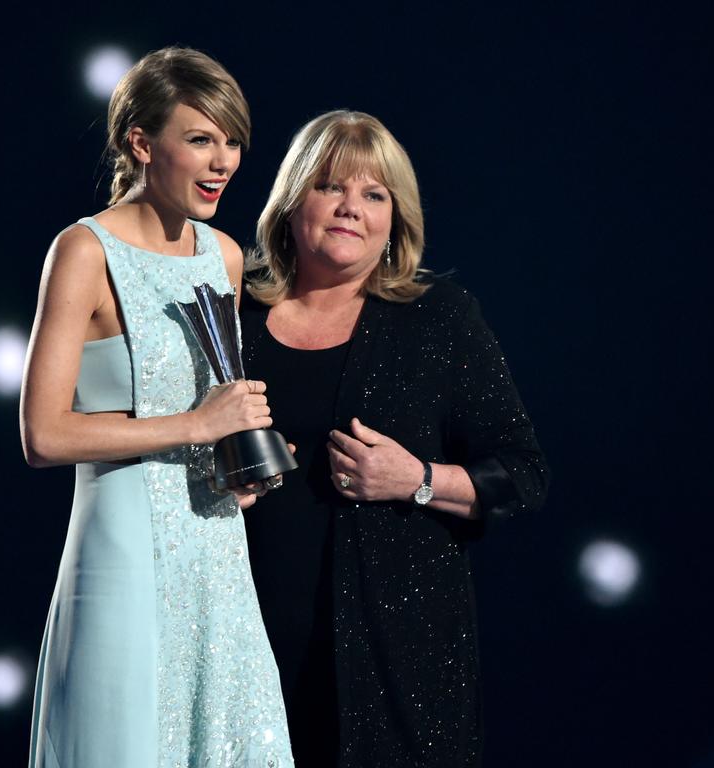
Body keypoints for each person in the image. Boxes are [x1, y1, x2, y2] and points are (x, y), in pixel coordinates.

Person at [240, 110, 549, 767]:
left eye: (374, 194)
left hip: (392, 670)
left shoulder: (436, 319)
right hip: (245, 652)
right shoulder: (235, 314)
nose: (352, 207)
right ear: (293, 202)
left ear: (395, 219)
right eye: (331, 186)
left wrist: (418, 480)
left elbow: (523, 473)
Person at [20, 47, 293, 768]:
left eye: (231, 141)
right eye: (201, 138)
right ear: (141, 143)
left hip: (217, 552)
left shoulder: (225, 257)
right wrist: (197, 427)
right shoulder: (83, 251)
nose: (223, 162)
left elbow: (216, 411)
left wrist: (237, 463)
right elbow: (43, 433)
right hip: (122, 552)